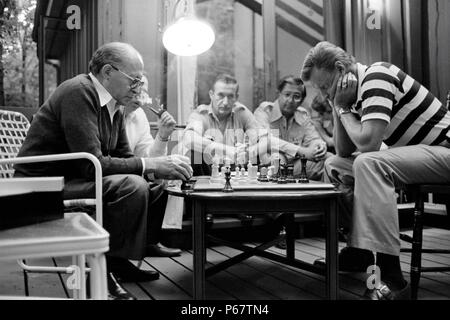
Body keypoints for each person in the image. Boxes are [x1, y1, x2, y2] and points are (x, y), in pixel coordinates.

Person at [14, 42, 193, 300]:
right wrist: (150, 165)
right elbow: (91, 164)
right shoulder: (78, 91)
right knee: (132, 186)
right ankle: (100, 270)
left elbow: (124, 158)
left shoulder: (113, 106)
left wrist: (158, 171)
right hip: (40, 188)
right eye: (135, 80)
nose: (138, 88)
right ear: (108, 72)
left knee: (155, 185)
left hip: (73, 179)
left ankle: (117, 261)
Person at [300, 41, 450, 300]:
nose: (324, 95)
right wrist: (339, 105)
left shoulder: (376, 76)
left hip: (444, 152)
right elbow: (344, 151)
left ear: (340, 69)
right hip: (419, 157)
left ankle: (391, 274)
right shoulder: (352, 93)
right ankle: (360, 252)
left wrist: (343, 107)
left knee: (369, 162)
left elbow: (368, 144)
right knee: (334, 165)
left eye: (325, 86)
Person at [183, 74, 268, 223]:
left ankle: (240, 207)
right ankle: (204, 207)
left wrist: (250, 151)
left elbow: (265, 139)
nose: (225, 102)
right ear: (211, 94)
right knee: (193, 154)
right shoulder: (200, 114)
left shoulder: (242, 113)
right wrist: (224, 149)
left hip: (236, 170)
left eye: (230, 96)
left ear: (236, 97)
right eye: (220, 95)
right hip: (210, 172)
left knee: (261, 155)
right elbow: (189, 139)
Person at [123, 75, 182, 257]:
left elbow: (150, 158)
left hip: (132, 168)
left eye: (144, 92)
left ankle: (150, 242)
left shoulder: (138, 115)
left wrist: (163, 135)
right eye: (136, 90)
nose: (140, 98)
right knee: (139, 184)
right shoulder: (111, 112)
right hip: (112, 171)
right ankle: (122, 253)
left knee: (162, 178)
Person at [254, 76, 329, 181]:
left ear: (301, 100)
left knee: (330, 160)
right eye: (287, 95)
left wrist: (318, 147)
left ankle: (327, 196)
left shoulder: (302, 115)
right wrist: (301, 151)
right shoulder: (264, 111)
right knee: (277, 158)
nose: (290, 100)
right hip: (270, 165)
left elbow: (313, 138)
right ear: (278, 94)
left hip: (296, 165)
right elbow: (266, 141)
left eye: (296, 96)